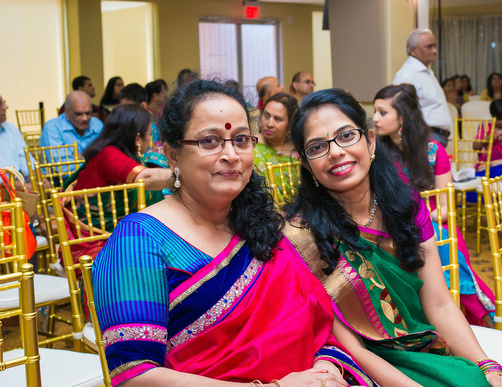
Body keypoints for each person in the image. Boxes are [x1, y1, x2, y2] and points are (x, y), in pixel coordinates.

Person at [92, 80, 376, 387]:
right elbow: (134, 375)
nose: (231, 154)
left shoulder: (262, 228)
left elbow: (317, 326)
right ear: (172, 155)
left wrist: (327, 369)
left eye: (241, 140)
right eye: (210, 141)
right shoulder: (138, 240)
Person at [283, 88, 502, 386]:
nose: (336, 151)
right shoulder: (304, 237)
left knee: (475, 380)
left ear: (370, 140)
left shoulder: (407, 208)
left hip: (421, 347)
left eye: (346, 136)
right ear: (306, 163)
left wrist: (486, 364)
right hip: (364, 369)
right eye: (317, 147)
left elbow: (439, 304)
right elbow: (353, 349)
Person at [373, 84, 495, 328]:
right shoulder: (376, 154)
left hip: (437, 225)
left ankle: (460, 326)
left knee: (440, 244)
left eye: (382, 112)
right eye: (375, 111)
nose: (375, 118)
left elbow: (446, 207)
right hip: (391, 230)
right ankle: (476, 320)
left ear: (403, 118)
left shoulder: (433, 151)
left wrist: (420, 222)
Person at [60, 104, 170, 265]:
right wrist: (187, 176)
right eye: (149, 134)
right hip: (95, 243)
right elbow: (146, 178)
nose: (152, 141)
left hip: (114, 237)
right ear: (138, 138)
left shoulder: (126, 157)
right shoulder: (109, 155)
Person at [393, 29, 452, 148]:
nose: (435, 51)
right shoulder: (408, 75)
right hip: (425, 137)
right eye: (429, 47)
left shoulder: (425, 70)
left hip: (435, 137)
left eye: (434, 46)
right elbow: (404, 112)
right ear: (413, 50)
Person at [254, 93, 300, 199]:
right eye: (266, 115)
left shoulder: (298, 151)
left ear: (290, 125)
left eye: (278, 119)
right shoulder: (251, 146)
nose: (269, 124)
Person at [40, 91, 103, 165]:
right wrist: (90, 159)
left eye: (88, 113)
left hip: (92, 175)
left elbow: (106, 157)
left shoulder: (97, 124)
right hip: (61, 176)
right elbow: (63, 167)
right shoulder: (52, 128)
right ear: (67, 113)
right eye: (78, 114)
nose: (85, 118)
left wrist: (81, 158)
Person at [472, 99, 502, 178]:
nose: (501, 122)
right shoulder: (485, 126)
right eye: (498, 119)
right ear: (492, 115)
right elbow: (475, 146)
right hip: (484, 165)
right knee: (477, 184)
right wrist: (487, 139)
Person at [0, 94, 35, 189]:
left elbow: (26, 158)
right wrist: (23, 187)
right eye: (0, 104)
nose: (6, 107)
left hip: (19, 185)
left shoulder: (10, 129)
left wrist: (40, 179)